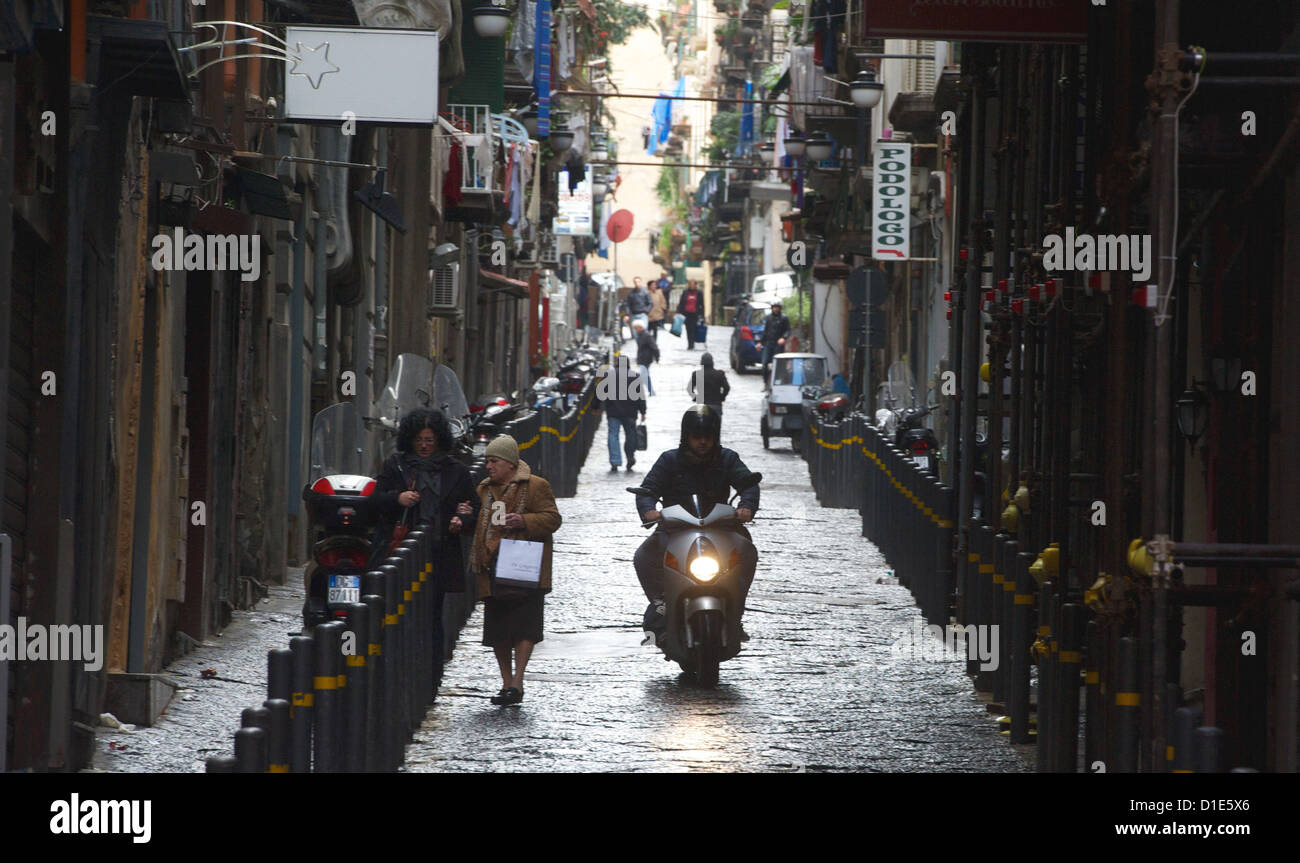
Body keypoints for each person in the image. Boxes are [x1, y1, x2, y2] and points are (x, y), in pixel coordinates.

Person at [633, 406, 759, 636]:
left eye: (707, 437)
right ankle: (661, 603)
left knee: (747, 551)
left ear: (715, 438)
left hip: (720, 527)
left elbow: (748, 483)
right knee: (644, 556)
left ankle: (736, 608)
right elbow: (648, 489)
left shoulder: (728, 458)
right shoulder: (669, 460)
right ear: (686, 437)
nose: (702, 442)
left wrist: (746, 507)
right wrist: (649, 510)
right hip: (674, 529)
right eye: (696, 437)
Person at [468, 435, 562, 706]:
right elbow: (475, 523)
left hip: (525, 568)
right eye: (486, 461)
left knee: (524, 627)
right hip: (491, 565)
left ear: (509, 463)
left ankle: (517, 682)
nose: (488, 466)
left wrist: (523, 520)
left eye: (493, 461)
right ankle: (505, 682)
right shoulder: (484, 490)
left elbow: (553, 519)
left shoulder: (535, 486)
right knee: (498, 630)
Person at [370, 408, 479, 584]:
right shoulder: (395, 466)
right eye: (418, 440)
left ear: (438, 440)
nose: (423, 445)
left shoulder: (456, 471)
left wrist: (462, 518)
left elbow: (474, 507)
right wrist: (398, 499)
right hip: (402, 550)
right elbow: (375, 500)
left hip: (441, 552)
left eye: (429, 440)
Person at [599, 355, 647, 472]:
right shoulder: (634, 376)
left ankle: (615, 461)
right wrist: (643, 411)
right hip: (630, 412)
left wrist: (595, 406)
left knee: (613, 435)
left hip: (613, 411)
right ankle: (630, 457)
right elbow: (640, 395)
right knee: (630, 435)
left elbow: (600, 392)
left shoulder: (608, 375)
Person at [687, 352, 730, 420]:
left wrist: (695, 398)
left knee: (701, 428)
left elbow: (689, 389)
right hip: (716, 405)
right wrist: (722, 397)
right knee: (716, 428)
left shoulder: (697, 374)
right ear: (712, 362)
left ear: (701, 363)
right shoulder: (720, 374)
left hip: (702, 406)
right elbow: (727, 388)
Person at [761, 300, 791, 388]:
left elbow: (788, 330)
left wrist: (783, 338)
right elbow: (765, 331)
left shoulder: (784, 318)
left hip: (778, 345)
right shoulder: (768, 318)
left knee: (778, 365)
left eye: (777, 307)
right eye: (774, 307)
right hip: (768, 343)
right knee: (765, 364)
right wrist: (760, 342)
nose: (776, 309)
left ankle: (777, 383)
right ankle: (766, 383)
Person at [633, 320, 660, 396]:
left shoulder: (647, 336)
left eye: (636, 328)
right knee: (644, 376)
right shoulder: (641, 335)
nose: (635, 330)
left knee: (643, 376)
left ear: (640, 327)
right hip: (643, 359)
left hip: (646, 359)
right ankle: (651, 391)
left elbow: (655, 347)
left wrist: (657, 357)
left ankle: (648, 391)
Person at [677, 280, 704, 350]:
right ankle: (690, 344)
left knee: (694, 329)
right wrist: (678, 312)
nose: (692, 286)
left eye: (693, 284)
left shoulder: (699, 293)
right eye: (690, 284)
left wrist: (702, 315)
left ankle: (692, 343)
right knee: (688, 329)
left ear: (695, 285)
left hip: (695, 314)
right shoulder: (685, 292)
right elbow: (681, 303)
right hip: (686, 314)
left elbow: (701, 304)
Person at [647, 277, 668, 341]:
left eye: (655, 285)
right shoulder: (647, 293)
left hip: (657, 313)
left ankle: (654, 342)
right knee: (648, 329)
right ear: (649, 286)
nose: (654, 286)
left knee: (655, 329)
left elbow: (663, 301)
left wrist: (663, 308)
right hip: (649, 313)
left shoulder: (659, 292)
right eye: (652, 285)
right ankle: (648, 341)